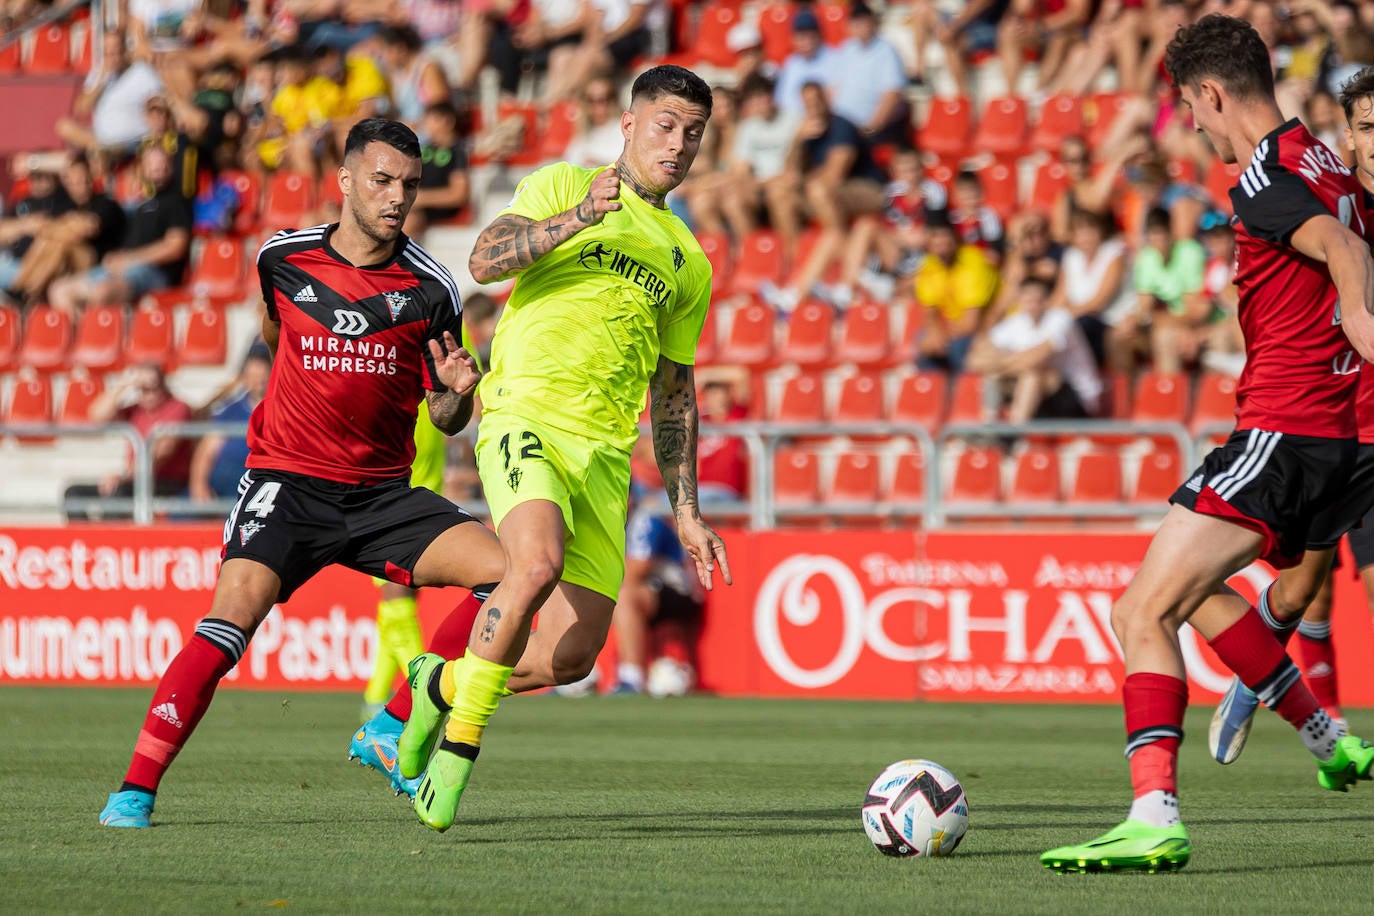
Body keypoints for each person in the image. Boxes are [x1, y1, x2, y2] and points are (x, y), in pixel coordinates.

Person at [97, 118, 507, 829]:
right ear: (345, 181)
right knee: (226, 626)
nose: (397, 197)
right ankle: (134, 790)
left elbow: (444, 418)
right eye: (382, 181)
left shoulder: (432, 287)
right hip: (287, 484)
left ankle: (390, 725)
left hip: (382, 496)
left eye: (408, 185)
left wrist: (459, 392)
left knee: (510, 577)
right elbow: (271, 330)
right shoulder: (282, 258)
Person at [1042, 16, 1374, 876]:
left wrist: (1364, 324)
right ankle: (1326, 735)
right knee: (1198, 594)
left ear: (1214, 93)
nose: (1192, 123)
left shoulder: (1267, 176)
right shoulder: (1330, 161)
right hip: (1337, 439)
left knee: (1139, 610)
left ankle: (1153, 816)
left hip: (1285, 430)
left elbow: (1338, 247)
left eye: (1191, 105)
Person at [390, 65, 731, 833]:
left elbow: (674, 392)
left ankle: (439, 684)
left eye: (693, 133)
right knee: (533, 565)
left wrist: (687, 511)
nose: (678, 145)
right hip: (526, 416)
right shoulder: (559, 184)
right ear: (629, 124)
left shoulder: (689, 260)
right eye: (666, 126)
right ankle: (458, 749)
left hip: (606, 459)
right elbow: (483, 262)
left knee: (573, 656)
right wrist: (579, 216)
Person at [1207, 64, 1374, 765]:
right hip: (1334, 423)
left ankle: (1317, 723)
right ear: (1352, 141)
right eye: (1368, 127)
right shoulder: (1338, 204)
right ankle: (1261, 690)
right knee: (1303, 590)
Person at [47, 146, 193, 312]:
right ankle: (83, 335)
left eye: (162, 162)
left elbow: (175, 247)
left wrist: (131, 258)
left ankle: (99, 334)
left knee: (102, 293)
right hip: (122, 267)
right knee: (59, 291)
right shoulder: (139, 205)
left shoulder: (176, 202)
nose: (157, 167)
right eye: (152, 163)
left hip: (153, 272)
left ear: (171, 166)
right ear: (143, 168)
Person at [62, 363, 195, 521]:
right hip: (134, 479)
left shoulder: (178, 408)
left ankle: (112, 543)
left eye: (153, 388)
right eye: (142, 389)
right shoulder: (136, 410)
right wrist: (125, 383)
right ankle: (85, 542)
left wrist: (124, 476)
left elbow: (161, 452)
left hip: (167, 480)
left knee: (118, 493)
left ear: (163, 386)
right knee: (74, 494)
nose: (148, 394)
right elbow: (97, 415)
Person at [966, 275, 1102, 422]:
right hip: (1038, 399)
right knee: (994, 377)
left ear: (1047, 300)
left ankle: (1014, 434)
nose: (1033, 305)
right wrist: (1005, 364)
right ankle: (989, 427)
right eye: (1028, 300)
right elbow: (973, 360)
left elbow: (1037, 359)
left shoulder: (1061, 319)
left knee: (1032, 375)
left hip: (1077, 398)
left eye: (1037, 300)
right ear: (1020, 301)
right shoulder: (1014, 323)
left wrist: (1000, 363)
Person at [611, 483, 705, 695]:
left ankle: (631, 678)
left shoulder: (645, 519)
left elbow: (637, 568)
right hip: (650, 590)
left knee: (623, 596)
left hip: (678, 591)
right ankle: (576, 675)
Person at [186, 344, 273, 511]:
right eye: (254, 373)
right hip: (223, 481)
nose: (259, 379)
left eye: (263, 372)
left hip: (259, 482)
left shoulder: (281, 411)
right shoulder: (229, 411)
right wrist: (199, 486)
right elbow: (206, 452)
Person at [913, 211, 1000, 373]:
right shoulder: (929, 265)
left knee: (959, 347)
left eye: (944, 236)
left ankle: (964, 393)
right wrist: (935, 333)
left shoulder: (974, 263)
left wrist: (942, 337)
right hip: (953, 327)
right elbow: (929, 313)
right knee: (924, 340)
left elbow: (972, 322)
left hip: (989, 324)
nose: (940, 241)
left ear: (955, 238)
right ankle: (931, 392)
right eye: (935, 236)